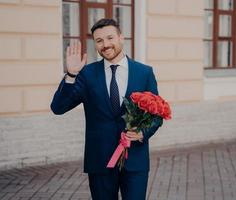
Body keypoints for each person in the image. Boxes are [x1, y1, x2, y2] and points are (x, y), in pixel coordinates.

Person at [50, 18, 161, 200]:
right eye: (99, 41)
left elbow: (157, 114)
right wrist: (70, 75)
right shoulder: (87, 74)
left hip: (135, 161)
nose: (105, 44)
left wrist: (143, 133)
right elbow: (58, 108)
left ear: (121, 38)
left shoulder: (144, 73)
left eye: (110, 38)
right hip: (100, 161)